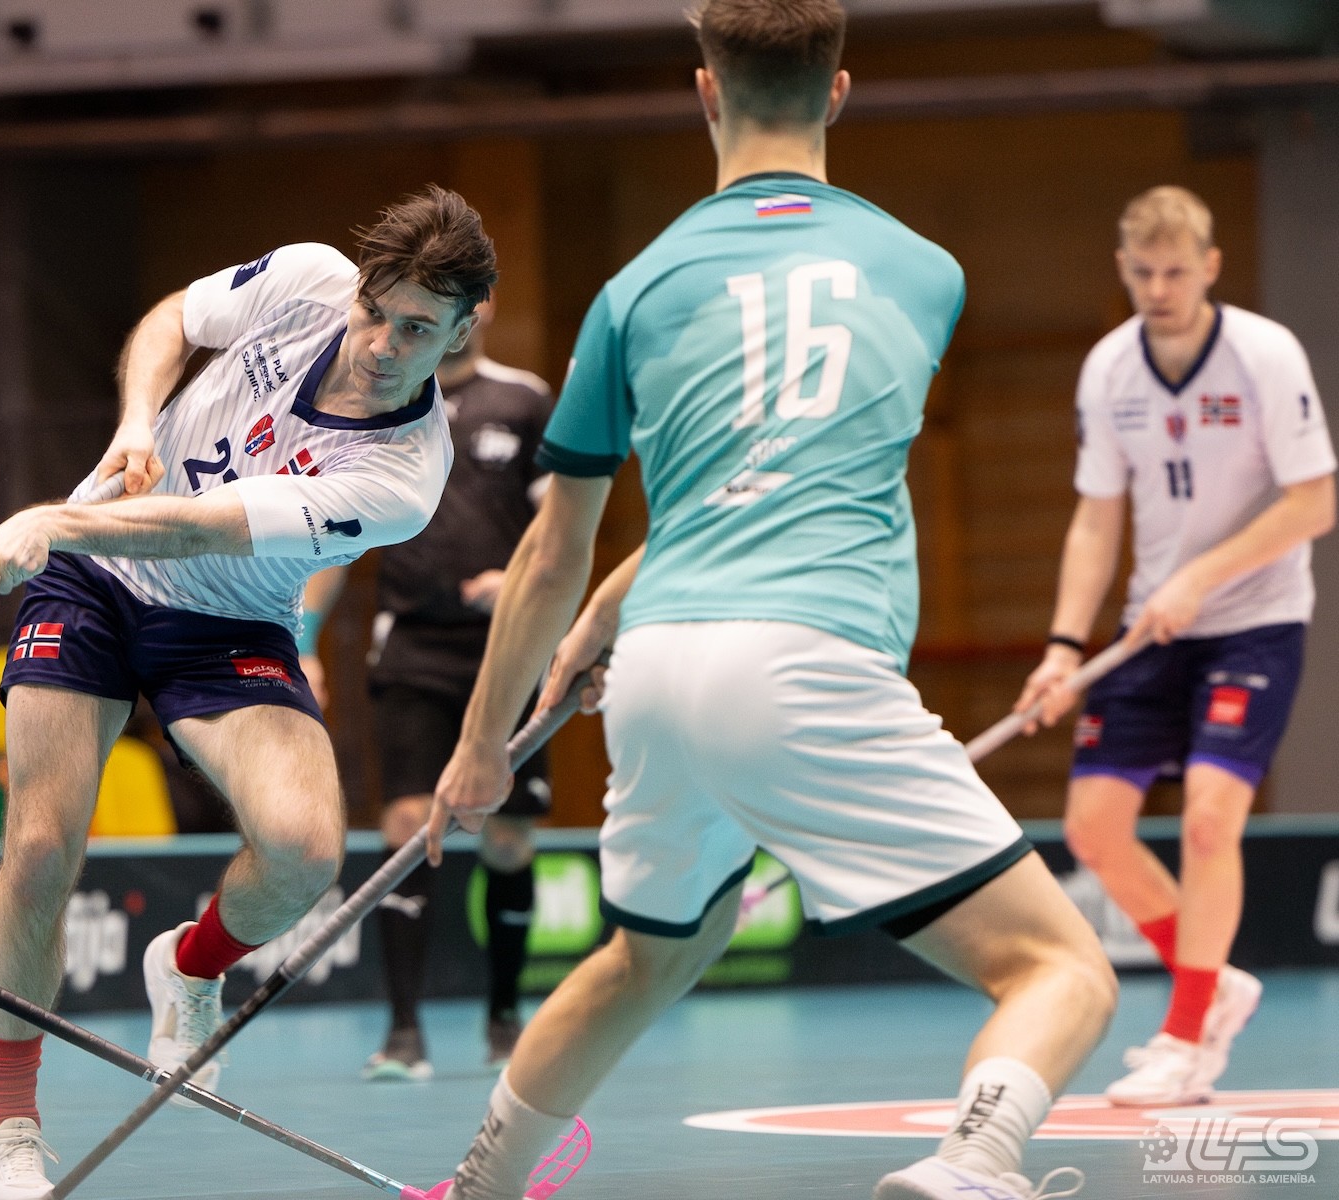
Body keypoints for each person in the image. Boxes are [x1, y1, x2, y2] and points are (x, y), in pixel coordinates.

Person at [421, 4, 1119, 1199]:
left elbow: (555, 551)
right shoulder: (926, 274)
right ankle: (974, 1159)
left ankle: (479, 1185)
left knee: (647, 957)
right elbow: (800, 470)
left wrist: (484, 743)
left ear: (706, 91)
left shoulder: (634, 291)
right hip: (807, 660)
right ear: (838, 91)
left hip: (659, 672)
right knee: (1061, 969)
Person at [0, 187, 497, 1200]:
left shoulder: (403, 475)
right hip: (93, 583)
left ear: (461, 333)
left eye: (417, 329)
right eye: (376, 311)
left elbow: (204, 529)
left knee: (306, 847)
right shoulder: (308, 280)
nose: (380, 342)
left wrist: (52, 519)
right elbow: (172, 321)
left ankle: (192, 967)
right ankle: (8, 1133)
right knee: (42, 846)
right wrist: (135, 423)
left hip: (225, 622)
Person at [1014, 186, 1335, 1107]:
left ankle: (1188, 1036)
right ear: (1124, 269)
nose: (1160, 290)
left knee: (1206, 819)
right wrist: (1062, 647)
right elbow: (1095, 518)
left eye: (1177, 272)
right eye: (1144, 273)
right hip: (1152, 628)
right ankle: (1215, 984)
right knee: (1093, 829)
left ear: (1210, 267)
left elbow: (1315, 501)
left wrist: (1204, 576)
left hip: (1256, 623)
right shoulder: (1109, 369)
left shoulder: (1265, 355)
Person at [299, 296, 554, 1081]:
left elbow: (561, 525)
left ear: (481, 313)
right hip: (409, 644)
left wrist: (519, 582)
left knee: (508, 839)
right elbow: (337, 537)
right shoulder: (386, 404)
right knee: (409, 825)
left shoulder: (525, 400)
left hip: (507, 648)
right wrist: (301, 642)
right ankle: (404, 1032)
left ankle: (504, 1018)